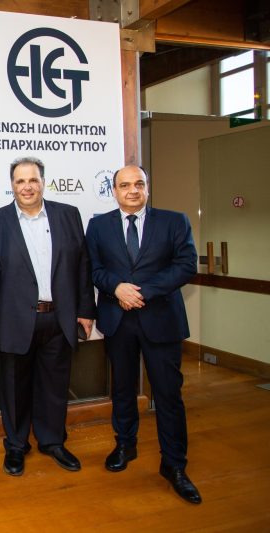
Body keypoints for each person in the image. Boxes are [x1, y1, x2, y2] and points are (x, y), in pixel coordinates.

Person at [85, 165, 201, 504]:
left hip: (161, 320)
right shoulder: (99, 226)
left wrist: (142, 292)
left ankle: (174, 464)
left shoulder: (174, 221)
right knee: (122, 389)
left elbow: (186, 265)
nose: (132, 190)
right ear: (114, 191)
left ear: (147, 188)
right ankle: (125, 445)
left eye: (139, 184)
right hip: (118, 320)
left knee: (168, 394)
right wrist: (117, 287)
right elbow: (93, 269)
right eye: (125, 185)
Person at [0, 157, 95, 477]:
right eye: (20, 181)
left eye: (33, 180)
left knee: (55, 384)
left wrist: (85, 310)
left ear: (43, 182)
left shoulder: (68, 215)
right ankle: (16, 445)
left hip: (59, 318)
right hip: (13, 319)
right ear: (12, 185)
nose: (27, 187)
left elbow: (82, 265)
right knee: (14, 387)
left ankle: (52, 441)